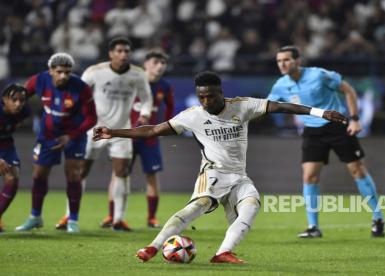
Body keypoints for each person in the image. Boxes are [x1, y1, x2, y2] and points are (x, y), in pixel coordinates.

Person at [92, 71, 347, 263]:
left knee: (252, 205)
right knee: (197, 206)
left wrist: (319, 113)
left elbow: (280, 106)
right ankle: (153, 247)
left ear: (220, 93)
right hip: (212, 173)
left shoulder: (242, 106)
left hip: (239, 177)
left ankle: (222, 252)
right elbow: (153, 130)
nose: (205, 101)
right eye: (201, 96)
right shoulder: (192, 115)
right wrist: (112, 132)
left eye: (210, 96)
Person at [267, 45, 385, 238]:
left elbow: (348, 90)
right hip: (312, 132)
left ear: (298, 61)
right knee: (309, 177)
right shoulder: (281, 85)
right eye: (279, 61)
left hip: (337, 126)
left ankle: (377, 217)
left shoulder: (319, 75)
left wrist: (355, 119)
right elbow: (268, 106)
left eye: (286, 60)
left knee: (358, 170)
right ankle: (313, 227)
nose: (282, 64)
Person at [55, 37, 153, 231]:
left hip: (121, 131)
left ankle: (118, 219)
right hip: (95, 129)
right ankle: (69, 216)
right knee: (80, 172)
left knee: (122, 172)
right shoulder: (95, 72)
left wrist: (144, 114)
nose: (124, 54)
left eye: (126, 51)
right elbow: (76, 94)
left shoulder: (138, 74)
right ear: (111, 54)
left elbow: (147, 98)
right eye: (119, 51)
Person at [16, 53, 97, 233]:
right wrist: (17, 116)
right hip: (48, 135)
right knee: (38, 174)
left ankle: (73, 220)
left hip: (74, 136)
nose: (64, 76)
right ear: (50, 71)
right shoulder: (38, 81)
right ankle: (35, 217)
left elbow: (92, 118)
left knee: (74, 175)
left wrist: (72, 135)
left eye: (67, 72)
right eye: (59, 72)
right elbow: (19, 97)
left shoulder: (81, 88)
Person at [130, 50, 174, 228]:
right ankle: (114, 216)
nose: (160, 66)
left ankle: (152, 218)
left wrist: (166, 128)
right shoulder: (132, 81)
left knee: (152, 177)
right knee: (119, 175)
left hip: (150, 137)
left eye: (163, 63)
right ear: (146, 64)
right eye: (156, 61)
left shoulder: (164, 85)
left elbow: (170, 108)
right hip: (128, 136)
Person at [0, 84, 30, 232]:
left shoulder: (24, 111)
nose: (18, 104)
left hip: (6, 145)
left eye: (21, 100)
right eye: (14, 100)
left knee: (13, 179)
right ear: (4, 99)